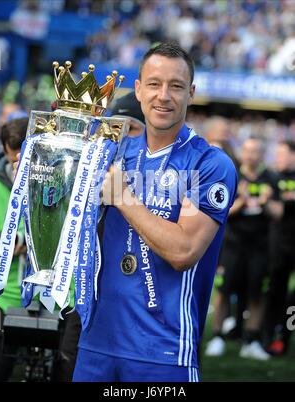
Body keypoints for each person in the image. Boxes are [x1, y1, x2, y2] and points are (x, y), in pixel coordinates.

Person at [73, 42, 237, 382]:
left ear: (191, 93)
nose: (164, 95)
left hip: (163, 352)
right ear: (138, 89)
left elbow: (184, 251)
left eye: (176, 86)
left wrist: (123, 197)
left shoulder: (209, 163)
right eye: (154, 84)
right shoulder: (110, 154)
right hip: (95, 344)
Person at [0, 117, 81, 382]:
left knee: (65, 369)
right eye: (12, 162)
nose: (16, 168)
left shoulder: (68, 180)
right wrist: (9, 240)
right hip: (5, 295)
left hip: (60, 295)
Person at [205, 137, 282, 360]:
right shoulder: (232, 174)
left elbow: (278, 214)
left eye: (256, 151)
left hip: (260, 247)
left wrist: (266, 201)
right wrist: (240, 199)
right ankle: (217, 337)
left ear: (262, 154)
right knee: (223, 293)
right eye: (247, 150)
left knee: (257, 295)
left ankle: (251, 340)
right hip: (232, 246)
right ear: (242, 152)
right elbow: (219, 211)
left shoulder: (271, 178)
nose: (251, 155)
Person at [0, 117, 28, 381]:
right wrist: (6, 242)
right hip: (0, 300)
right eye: (13, 155)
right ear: (4, 150)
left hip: (45, 300)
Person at [264, 140, 295, 355]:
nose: (277, 159)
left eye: (282, 154)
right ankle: (269, 337)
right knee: (276, 292)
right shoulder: (273, 178)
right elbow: (277, 211)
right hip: (279, 246)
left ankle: (285, 336)